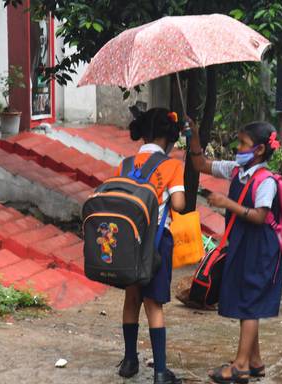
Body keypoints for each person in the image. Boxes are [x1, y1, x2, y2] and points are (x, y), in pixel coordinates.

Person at [189, 119, 282, 384]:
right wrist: (194, 137)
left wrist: (225, 202)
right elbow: (201, 165)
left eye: (244, 144)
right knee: (247, 299)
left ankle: (240, 366)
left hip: (260, 248)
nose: (238, 148)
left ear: (260, 151)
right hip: (243, 244)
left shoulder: (265, 181)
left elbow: (259, 216)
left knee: (249, 306)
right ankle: (255, 362)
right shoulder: (235, 170)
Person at [118, 107, 185, 384]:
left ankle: (129, 361)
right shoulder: (171, 165)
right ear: (167, 138)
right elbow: (179, 205)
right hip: (156, 243)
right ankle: (159, 372)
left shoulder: (125, 163)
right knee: (153, 304)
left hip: (127, 241)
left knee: (131, 299)